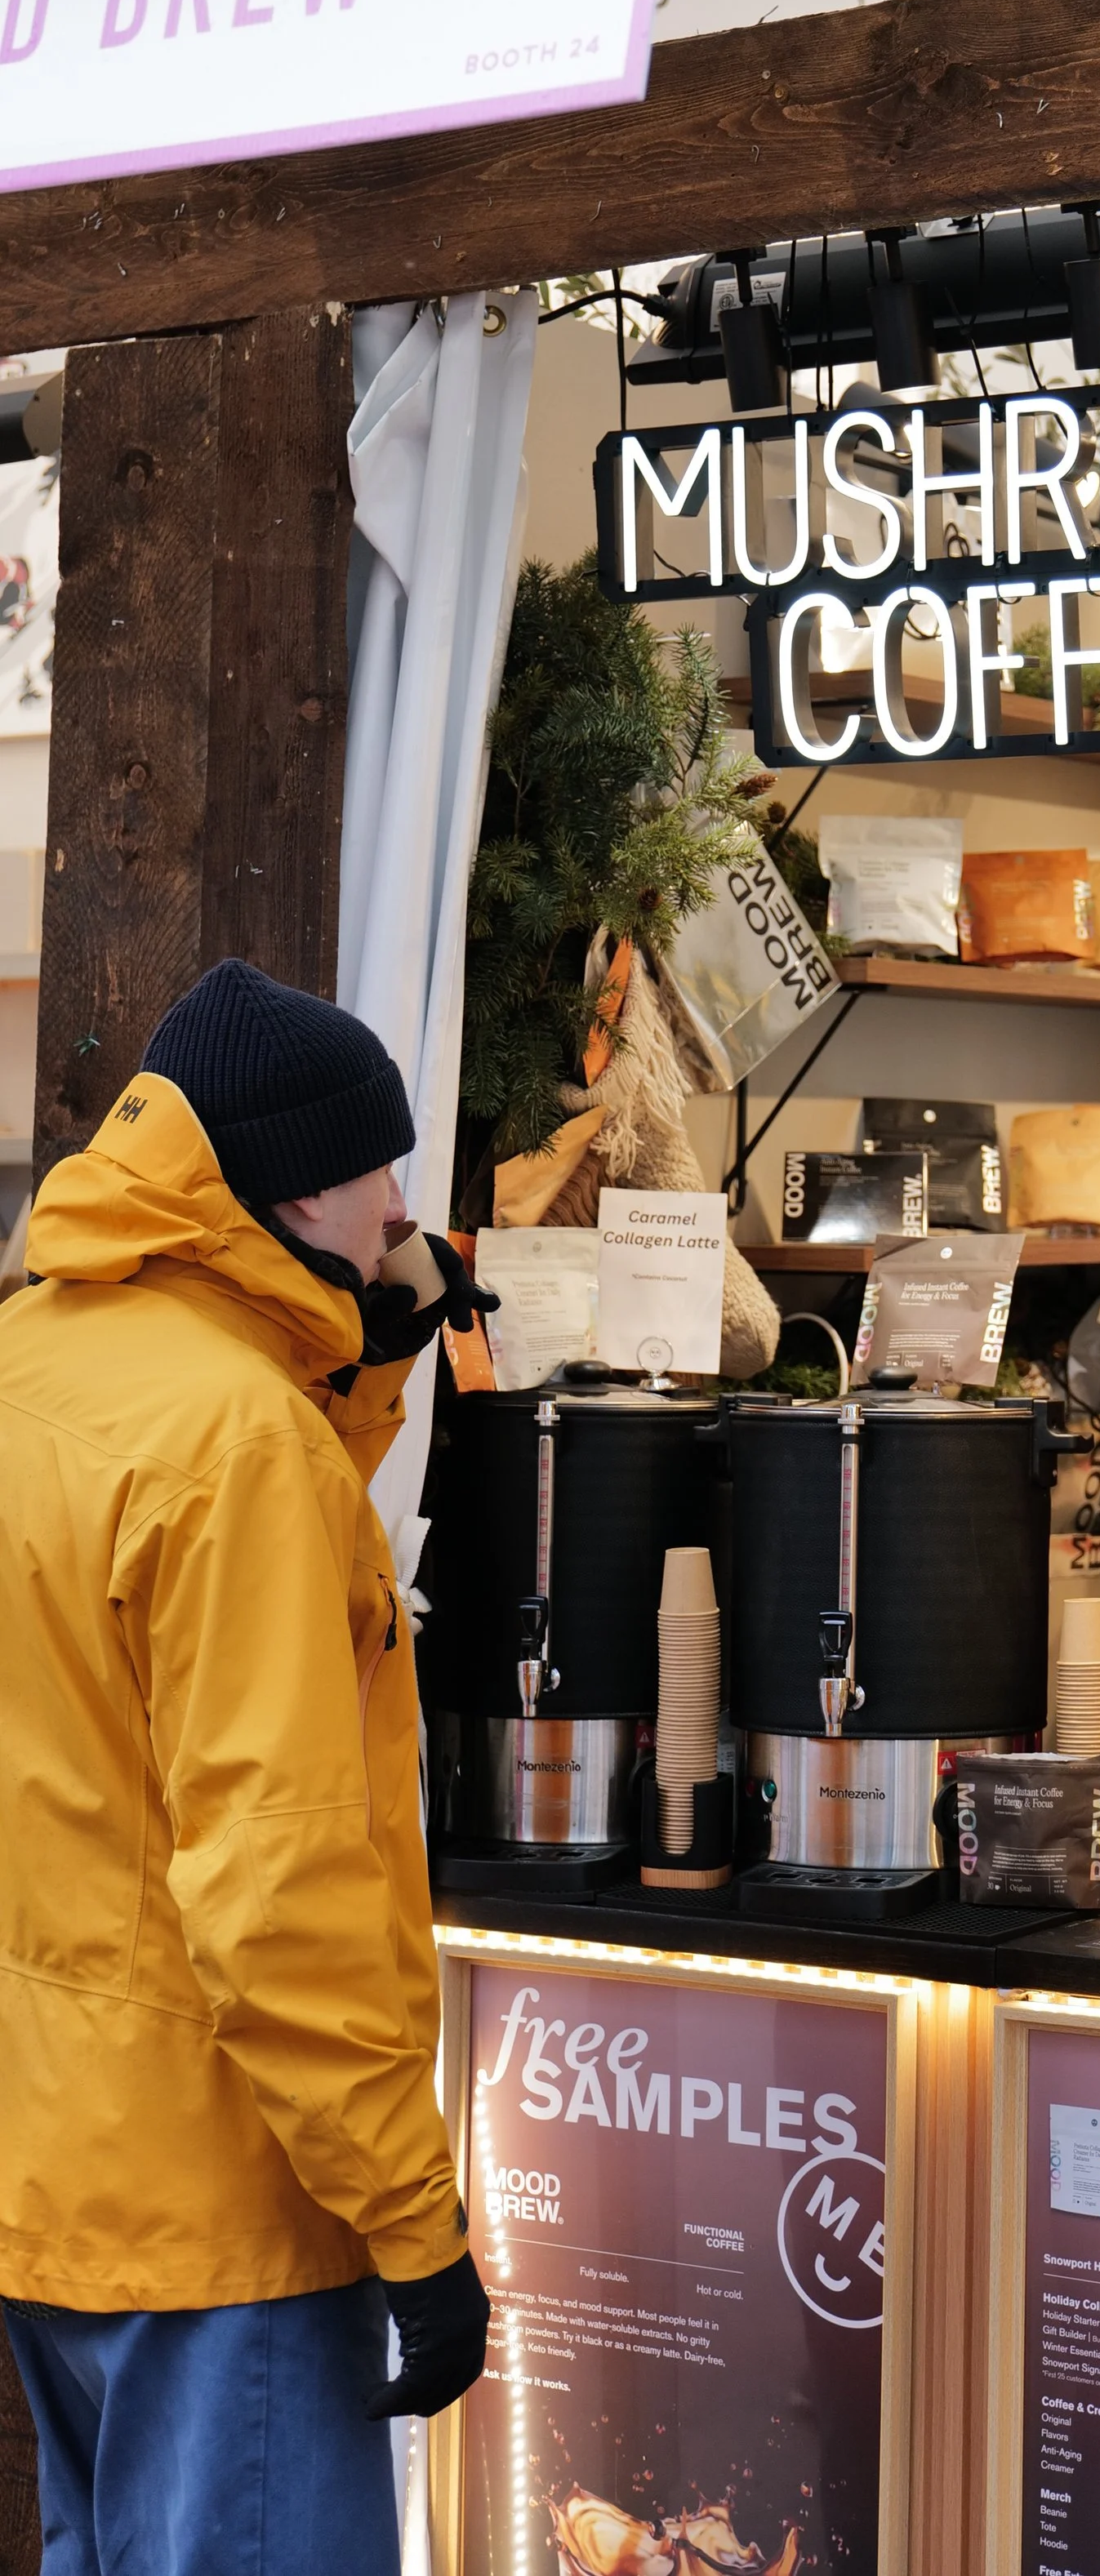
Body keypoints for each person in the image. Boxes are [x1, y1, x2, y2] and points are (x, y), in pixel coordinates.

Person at [0, 959, 499, 2576]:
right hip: (228, 2213)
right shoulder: (239, 1446)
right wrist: (412, 2228)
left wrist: (362, 1363)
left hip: (59, 2175)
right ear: (296, 1187)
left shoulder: (40, 1364)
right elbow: (278, 1892)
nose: (401, 1212)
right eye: (382, 1174)